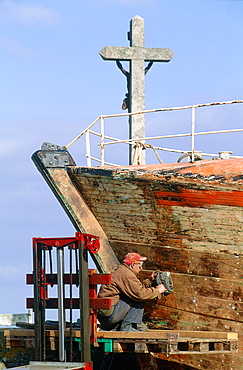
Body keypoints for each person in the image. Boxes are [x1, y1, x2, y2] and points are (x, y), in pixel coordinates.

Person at [97, 252, 166, 332]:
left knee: (142, 328)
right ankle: (127, 328)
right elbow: (140, 294)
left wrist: (150, 282)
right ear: (133, 265)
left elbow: (135, 287)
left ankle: (129, 325)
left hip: (107, 315)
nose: (141, 268)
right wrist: (158, 291)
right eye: (140, 265)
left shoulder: (123, 271)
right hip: (109, 316)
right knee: (138, 298)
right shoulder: (126, 275)